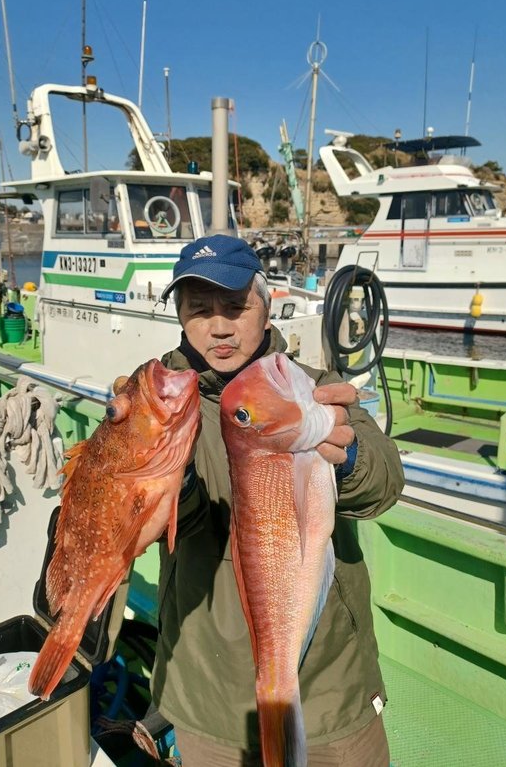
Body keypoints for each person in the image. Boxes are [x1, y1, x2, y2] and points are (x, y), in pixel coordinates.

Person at [141, 234, 405, 766]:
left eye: (236, 307)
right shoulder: (160, 404)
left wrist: (346, 462)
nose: (219, 326)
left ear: (267, 308)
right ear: (180, 317)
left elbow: (385, 482)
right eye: (199, 310)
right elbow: (156, 514)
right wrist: (172, 483)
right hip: (206, 686)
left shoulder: (313, 387)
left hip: (330, 683)